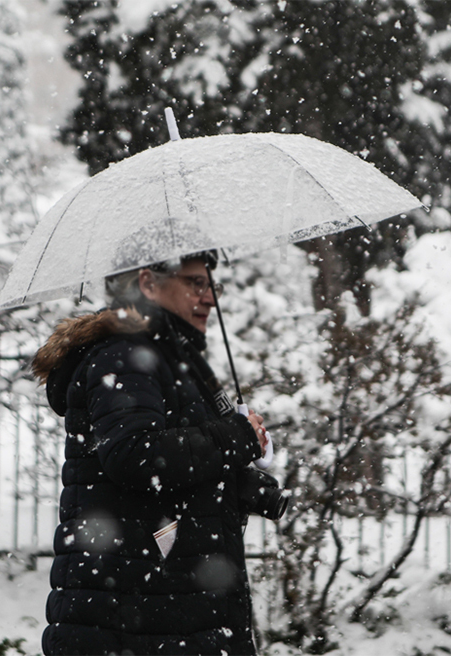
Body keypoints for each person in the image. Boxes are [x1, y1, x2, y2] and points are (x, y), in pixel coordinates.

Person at [33, 250, 287, 655]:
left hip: (165, 609)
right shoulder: (125, 356)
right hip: (137, 617)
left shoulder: (170, 358)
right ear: (148, 283)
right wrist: (233, 437)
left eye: (211, 285)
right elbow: (134, 455)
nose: (209, 298)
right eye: (195, 284)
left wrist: (238, 483)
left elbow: (173, 461)